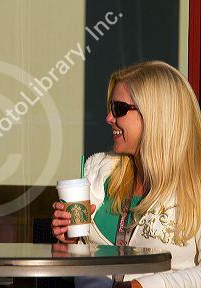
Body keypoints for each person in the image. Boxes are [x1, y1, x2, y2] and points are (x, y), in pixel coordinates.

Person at [52, 61, 201, 288]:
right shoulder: (99, 173)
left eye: (119, 109)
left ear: (155, 114)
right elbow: (73, 270)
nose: (109, 118)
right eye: (110, 108)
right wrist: (71, 242)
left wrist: (143, 286)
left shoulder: (195, 185)